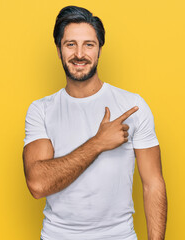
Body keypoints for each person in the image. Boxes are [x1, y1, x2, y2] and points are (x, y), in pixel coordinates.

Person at [22, 5, 167, 240]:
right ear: (59, 50)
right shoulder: (41, 110)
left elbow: (153, 184)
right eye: (71, 44)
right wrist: (98, 143)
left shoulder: (132, 106)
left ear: (99, 49)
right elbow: (38, 184)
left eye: (89, 44)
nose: (80, 54)